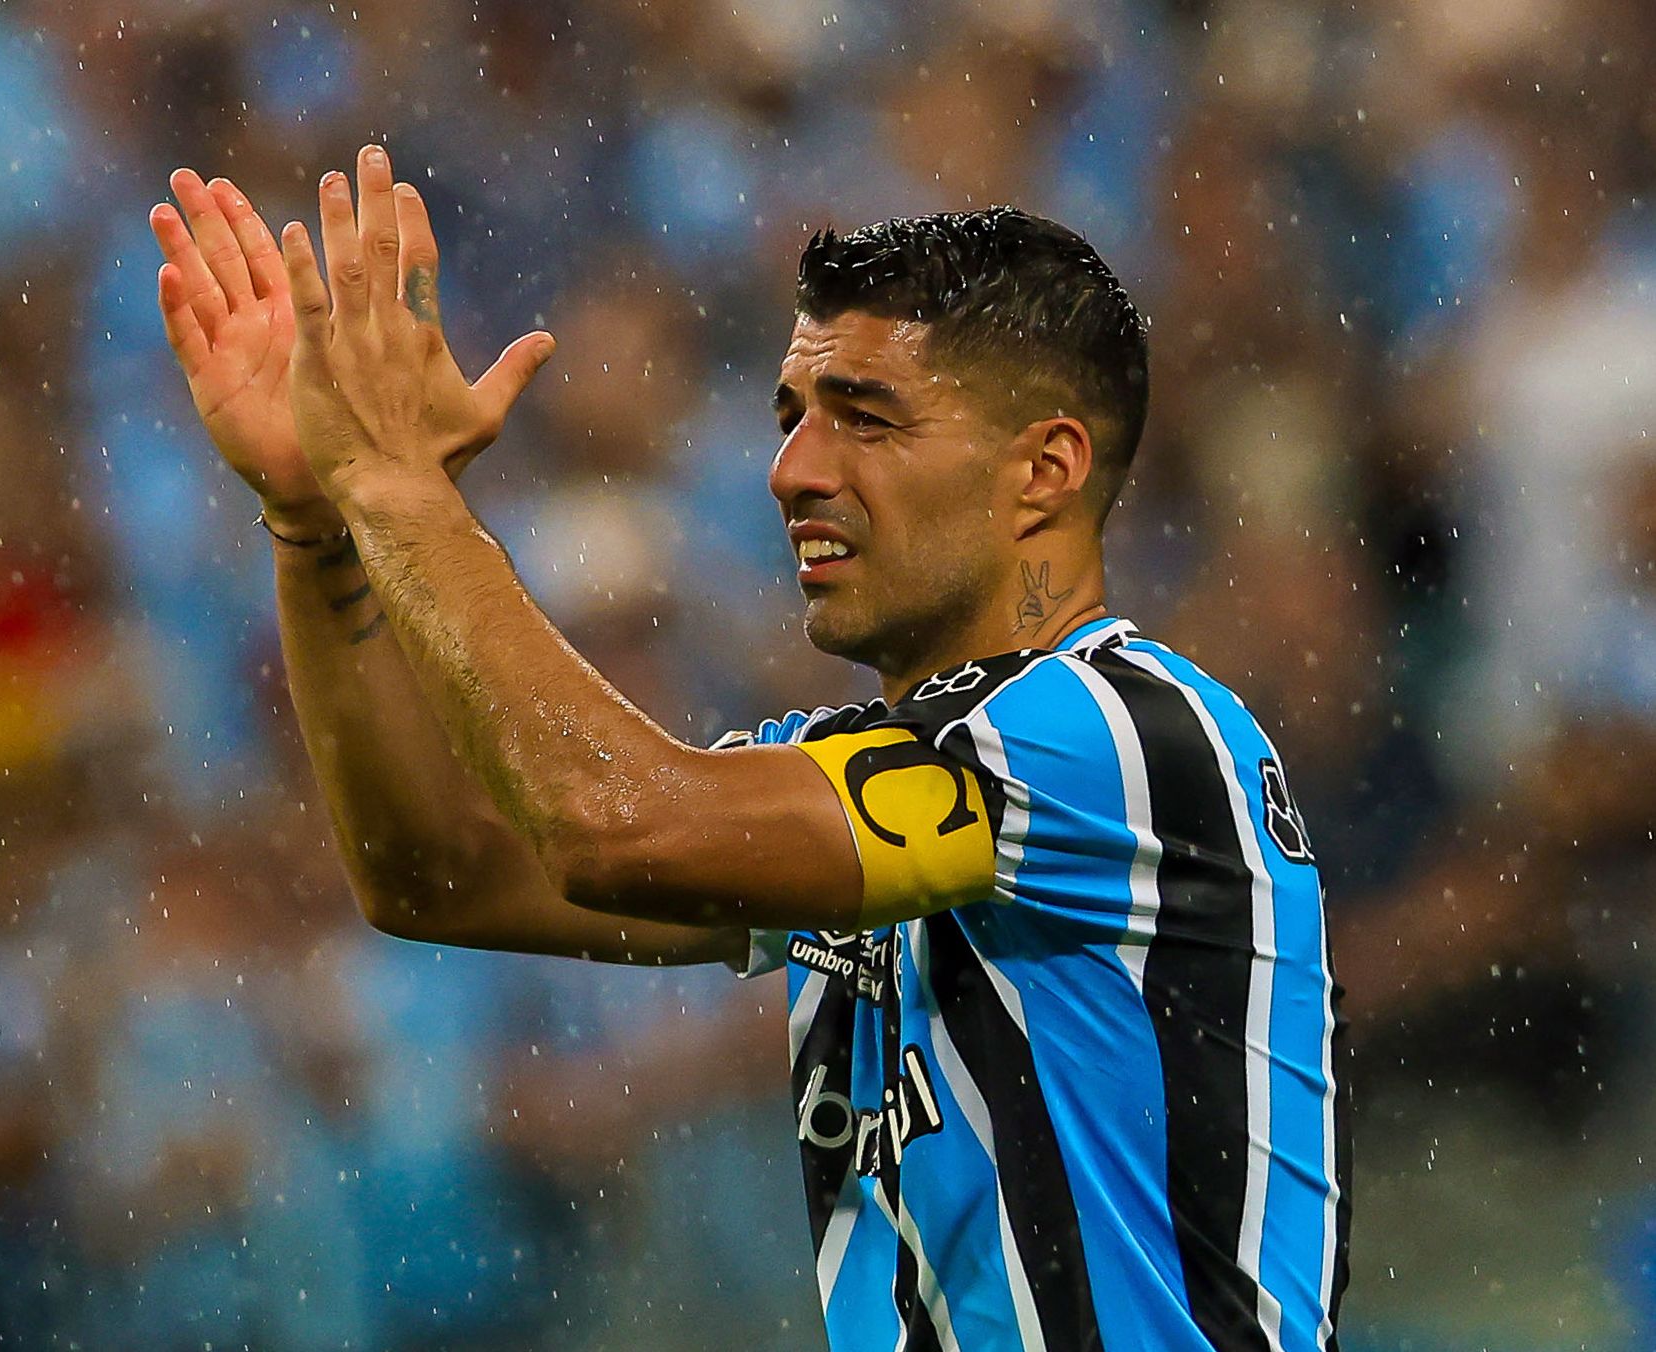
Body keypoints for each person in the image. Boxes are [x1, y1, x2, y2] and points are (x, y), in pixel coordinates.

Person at [149, 144, 1349, 1351]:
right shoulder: (884, 779)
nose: (791, 471)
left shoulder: (1111, 733)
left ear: (1045, 468)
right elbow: (439, 874)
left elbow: (613, 824)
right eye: (790, 417)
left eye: (864, 419)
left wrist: (400, 490)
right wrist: (318, 522)